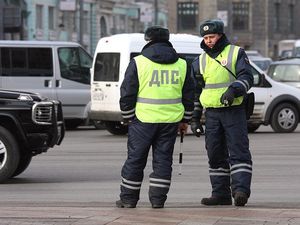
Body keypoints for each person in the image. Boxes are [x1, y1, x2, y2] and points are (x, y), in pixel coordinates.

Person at [116, 26, 194, 209]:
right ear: (167, 41)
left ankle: (128, 199)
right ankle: (158, 200)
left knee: (135, 159)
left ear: (148, 41)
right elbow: (189, 94)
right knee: (163, 161)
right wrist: (185, 120)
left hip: (143, 120)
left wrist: (128, 116)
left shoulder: (139, 62)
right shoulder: (182, 64)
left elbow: (127, 92)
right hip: (170, 121)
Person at [190, 19, 253, 207]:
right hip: (212, 115)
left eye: (212, 36)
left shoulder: (235, 53)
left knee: (238, 152)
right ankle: (220, 194)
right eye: (206, 37)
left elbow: (247, 77)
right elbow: (197, 92)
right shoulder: (199, 61)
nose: (209, 40)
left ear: (220, 35)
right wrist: (194, 119)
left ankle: (240, 191)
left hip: (234, 110)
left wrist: (234, 90)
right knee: (215, 155)